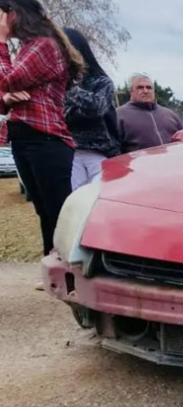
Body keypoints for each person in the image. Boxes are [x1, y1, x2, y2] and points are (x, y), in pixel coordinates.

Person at [0, 0, 84, 257]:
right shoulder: (28, 48)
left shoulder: (45, 46)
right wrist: (5, 98)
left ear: (14, 13)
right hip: (24, 137)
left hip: (46, 140)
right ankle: (54, 266)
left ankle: (71, 268)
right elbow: (6, 90)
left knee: (56, 210)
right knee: (43, 210)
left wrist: (1, 42)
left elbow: (7, 80)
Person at [63, 28, 120, 189]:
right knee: (76, 204)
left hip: (100, 154)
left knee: (102, 200)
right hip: (70, 155)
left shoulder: (101, 82)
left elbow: (97, 107)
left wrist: (69, 87)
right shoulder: (54, 85)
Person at [116, 73, 183, 152]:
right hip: (137, 164)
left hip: (173, 162)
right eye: (140, 88)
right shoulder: (118, 115)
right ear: (131, 91)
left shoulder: (170, 115)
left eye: (149, 87)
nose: (145, 91)